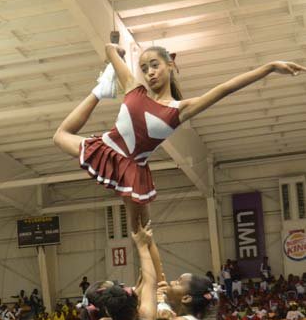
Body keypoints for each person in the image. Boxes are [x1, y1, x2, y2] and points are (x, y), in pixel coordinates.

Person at [53, 43, 305, 230]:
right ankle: (101, 90)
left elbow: (225, 88)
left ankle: (158, 287)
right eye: (144, 68)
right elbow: (109, 48)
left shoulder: (178, 109)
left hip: (131, 167)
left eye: (154, 65)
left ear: (169, 65)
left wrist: (270, 67)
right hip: (106, 148)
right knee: (60, 136)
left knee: (140, 231)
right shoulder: (134, 88)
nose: (149, 72)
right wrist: (114, 52)